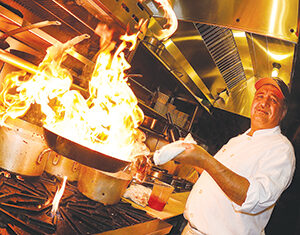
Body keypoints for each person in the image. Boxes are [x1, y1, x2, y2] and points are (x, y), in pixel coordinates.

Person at [174, 77, 296, 235]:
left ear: (282, 113)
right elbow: (216, 177)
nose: (263, 103)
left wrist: (205, 159)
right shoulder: (238, 140)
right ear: (252, 103)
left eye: (273, 100)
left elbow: (255, 198)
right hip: (190, 230)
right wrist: (194, 157)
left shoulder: (281, 149)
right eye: (260, 96)